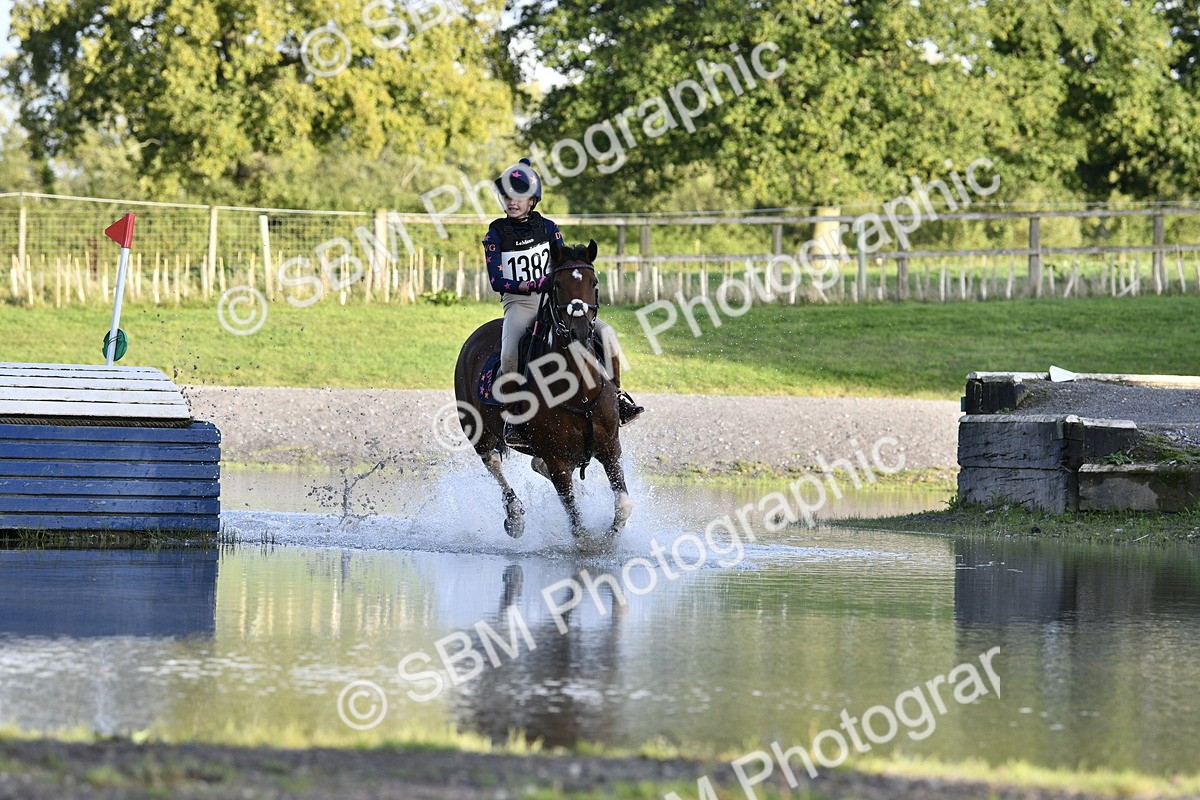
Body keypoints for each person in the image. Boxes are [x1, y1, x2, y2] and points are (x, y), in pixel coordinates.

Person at [483, 158, 644, 448]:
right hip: (520, 303)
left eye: (518, 196)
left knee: (606, 334)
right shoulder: (495, 232)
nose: (511, 202)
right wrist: (533, 284)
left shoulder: (549, 228)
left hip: (554, 301)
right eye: (506, 196)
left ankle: (618, 398)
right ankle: (515, 417)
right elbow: (497, 280)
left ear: (533, 200)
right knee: (509, 354)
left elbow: (564, 263)